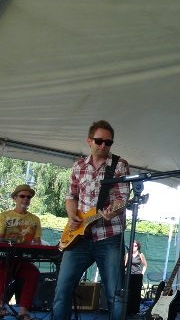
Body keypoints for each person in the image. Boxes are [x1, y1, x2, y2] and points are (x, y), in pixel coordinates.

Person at [52, 120, 130, 320]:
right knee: (62, 292)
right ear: (89, 141)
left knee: (115, 295)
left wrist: (114, 211)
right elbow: (71, 196)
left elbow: (122, 198)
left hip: (110, 236)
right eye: (99, 141)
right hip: (79, 237)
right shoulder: (78, 166)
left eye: (108, 142)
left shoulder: (119, 165)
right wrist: (72, 216)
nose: (103, 145)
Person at [0, 184, 42, 320]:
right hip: (2, 258)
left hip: (22, 260)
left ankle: (23, 310)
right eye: (22, 196)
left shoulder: (35, 219)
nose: (26, 199)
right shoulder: (4, 216)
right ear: (15, 198)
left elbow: (37, 242)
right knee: (5, 265)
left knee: (33, 272)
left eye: (28, 197)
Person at [124, 240, 148, 314]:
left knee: (136, 293)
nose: (134, 247)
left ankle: (135, 310)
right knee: (128, 292)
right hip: (129, 275)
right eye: (132, 246)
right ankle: (127, 309)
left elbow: (145, 265)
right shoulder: (128, 254)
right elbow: (124, 265)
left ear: (138, 247)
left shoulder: (140, 254)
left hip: (137, 275)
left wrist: (142, 273)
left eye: (135, 246)